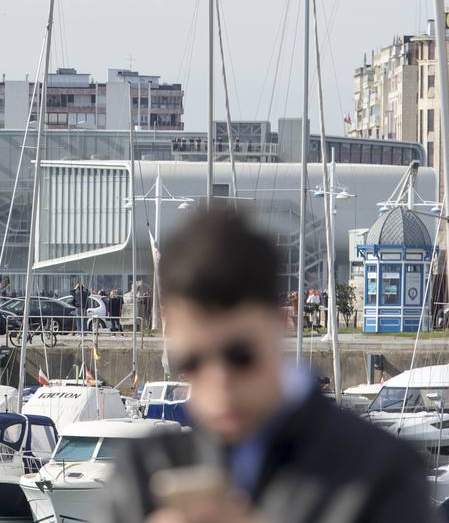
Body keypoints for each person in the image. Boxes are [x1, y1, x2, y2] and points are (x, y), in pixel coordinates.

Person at [104, 207, 431, 522]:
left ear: (280, 325)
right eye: (192, 362)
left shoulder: (379, 476)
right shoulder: (146, 472)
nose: (219, 382)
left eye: (239, 356)